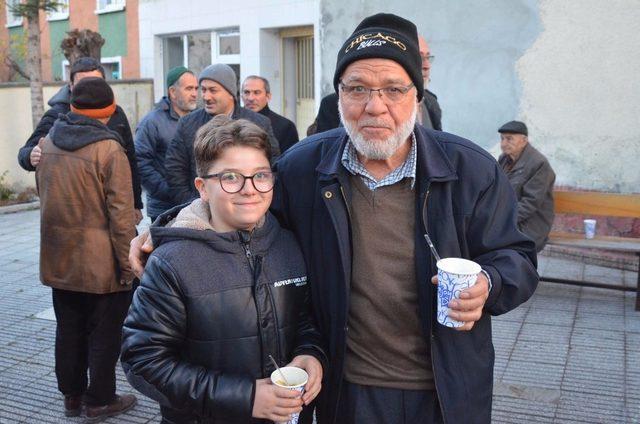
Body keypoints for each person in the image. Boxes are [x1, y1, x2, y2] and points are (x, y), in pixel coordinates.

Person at [130, 13, 538, 424]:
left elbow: (517, 258)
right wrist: (166, 232)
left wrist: (490, 283)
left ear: (417, 97)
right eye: (357, 89)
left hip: (445, 390)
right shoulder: (304, 167)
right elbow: (240, 199)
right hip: (343, 390)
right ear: (338, 96)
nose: (374, 106)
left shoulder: (471, 170)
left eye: (393, 90)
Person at [121, 115, 326, 424]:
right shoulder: (172, 263)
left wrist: (312, 354)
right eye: (230, 177)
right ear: (203, 187)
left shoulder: (288, 244)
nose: (249, 189)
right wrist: (246, 397)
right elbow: (143, 361)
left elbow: (307, 319)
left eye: (260, 175)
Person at [36, 77, 137, 420]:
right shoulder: (109, 149)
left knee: (68, 329)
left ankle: (72, 398)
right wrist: (129, 265)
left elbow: (45, 197)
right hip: (101, 265)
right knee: (105, 334)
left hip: (59, 259)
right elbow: (122, 217)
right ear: (107, 113)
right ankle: (100, 399)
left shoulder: (48, 143)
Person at [18, 57, 144, 223]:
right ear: (71, 86)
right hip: (76, 213)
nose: (90, 88)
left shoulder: (116, 113)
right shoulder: (57, 115)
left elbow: (130, 159)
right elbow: (25, 152)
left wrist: (136, 203)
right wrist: (30, 156)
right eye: (83, 82)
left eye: (95, 82)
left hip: (116, 205)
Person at [165, 64, 280, 205]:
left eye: (213, 90)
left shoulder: (259, 123)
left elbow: (273, 164)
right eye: (204, 90)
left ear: (230, 92)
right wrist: (194, 205)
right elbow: (174, 169)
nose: (206, 96)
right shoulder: (187, 124)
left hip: (248, 206)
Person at [135, 66, 198, 221]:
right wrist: (167, 190)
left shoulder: (199, 119)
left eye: (196, 88)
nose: (195, 94)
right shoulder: (152, 122)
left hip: (196, 204)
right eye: (189, 88)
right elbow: (140, 162)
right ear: (172, 92)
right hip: (164, 208)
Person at [498, 120, 556, 251]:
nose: (503, 144)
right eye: (502, 139)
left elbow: (530, 203)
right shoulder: (504, 159)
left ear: (524, 140)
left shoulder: (539, 164)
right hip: (510, 218)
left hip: (531, 224)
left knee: (498, 243)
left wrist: (502, 220)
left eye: (509, 139)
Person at [242, 75, 300, 153]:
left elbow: (290, 161)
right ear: (241, 96)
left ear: (268, 96)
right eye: (246, 92)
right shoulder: (232, 121)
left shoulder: (286, 127)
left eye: (257, 92)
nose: (251, 98)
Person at [418, 35, 442, 130]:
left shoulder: (431, 102)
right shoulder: (387, 106)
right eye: (420, 58)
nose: (427, 66)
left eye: (428, 57)